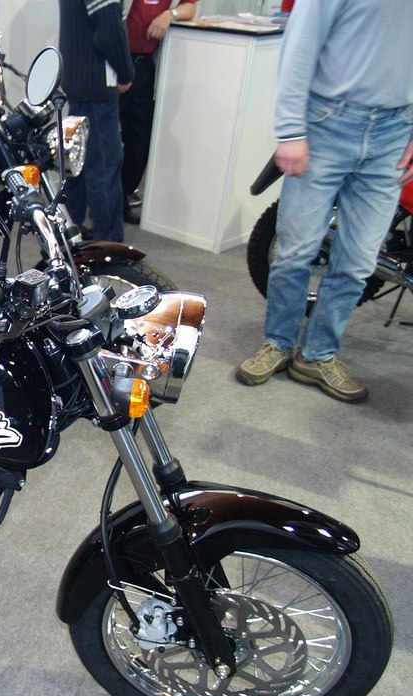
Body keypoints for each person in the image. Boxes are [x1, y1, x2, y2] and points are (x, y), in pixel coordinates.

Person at [236, 0, 413, 402]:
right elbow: (299, 47)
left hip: (395, 130)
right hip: (329, 122)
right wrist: (290, 131)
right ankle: (278, 342)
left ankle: (316, 355)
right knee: (295, 251)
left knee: (359, 261)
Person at [59, 0, 134, 242]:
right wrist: (126, 73)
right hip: (97, 87)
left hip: (79, 83)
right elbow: (109, 33)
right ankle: (108, 249)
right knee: (104, 171)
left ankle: (68, 239)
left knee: (77, 167)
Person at [119, 0, 197, 225]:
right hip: (115, 60)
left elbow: (190, 7)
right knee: (103, 140)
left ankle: (121, 197)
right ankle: (92, 204)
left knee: (140, 140)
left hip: (143, 64)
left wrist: (170, 14)